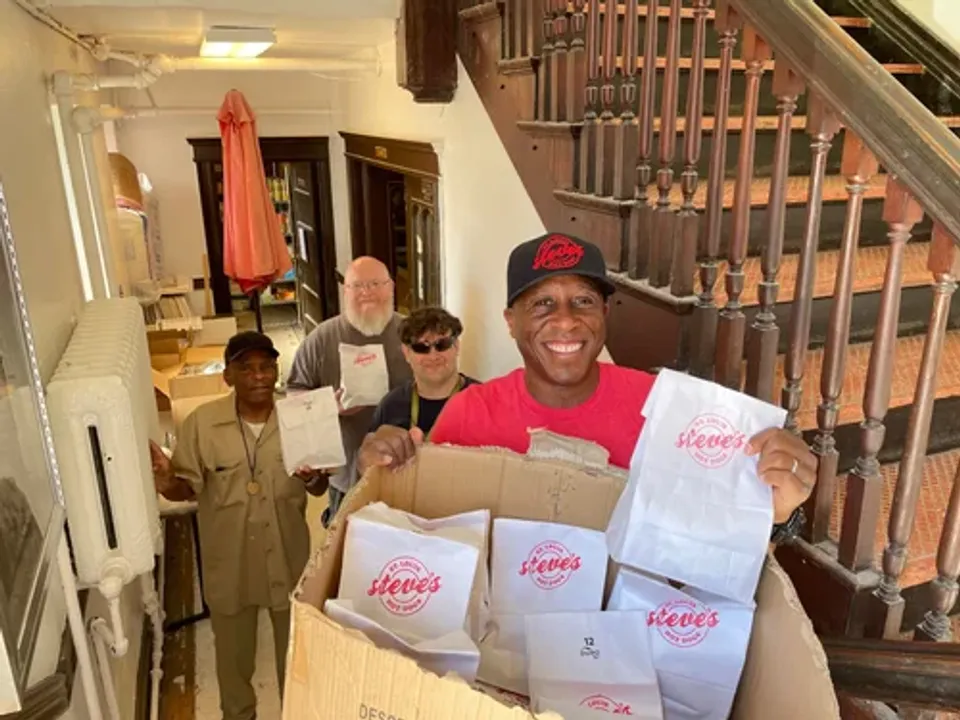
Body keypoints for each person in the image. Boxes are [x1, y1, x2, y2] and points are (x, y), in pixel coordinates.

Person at [358, 232, 816, 536]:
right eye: (541, 305)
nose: (565, 320)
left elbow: (716, 539)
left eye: (583, 300)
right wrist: (383, 474)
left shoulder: (663, 409)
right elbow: (419, 536)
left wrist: (778, 513)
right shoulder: (467, 414)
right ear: (510, 323)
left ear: (604, 317)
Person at [150, 332, 327, 720]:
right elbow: (186, 489)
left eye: (266, 366)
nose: (259, 376)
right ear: (227, 376)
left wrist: (315, 477)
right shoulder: (201, 425)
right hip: (228, 563)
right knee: (232, 662)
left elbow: (318, 488)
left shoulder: (302, 418)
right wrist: (166, 480)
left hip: (287, 556)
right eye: (245, 368)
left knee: (295, 659)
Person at [286, 256, 412, 526]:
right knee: (346, 548)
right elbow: (294, 394)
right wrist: (327, 408)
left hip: (404, 468)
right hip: (344, 475)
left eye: (376, 283)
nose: (367, 292)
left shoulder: (411, 334)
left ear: (391, 288)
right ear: (345, 292)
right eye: (358, 286)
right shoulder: (322, 339)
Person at [369, 306, 479, 438]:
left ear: (456, 346)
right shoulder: (390, 406)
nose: (433, 356)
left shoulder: (483, 401)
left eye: (442, 345)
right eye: (421, 347)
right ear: (406, 353)